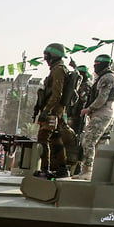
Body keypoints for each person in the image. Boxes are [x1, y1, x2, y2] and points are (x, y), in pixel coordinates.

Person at [77, 53, 114, 177]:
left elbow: (102, 98)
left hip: (102, 113)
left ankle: (87, 171)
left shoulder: (107, 78)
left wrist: (88, 109)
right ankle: (100, 172)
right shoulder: (105, 77)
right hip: (106, 113)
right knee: (101, 144)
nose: (95, 67)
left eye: (96, 65)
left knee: (88, 141)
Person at [34, 43, 72, 179]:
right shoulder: (58, 69)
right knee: (55, 138)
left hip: (53, 110)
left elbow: (57, 94)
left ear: (53, 55)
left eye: (47, 56)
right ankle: (62, 168)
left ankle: (45, 168)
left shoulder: (58, 70)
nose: (45, 59)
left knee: (42, 139)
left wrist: (46, 111)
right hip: (56, 110)